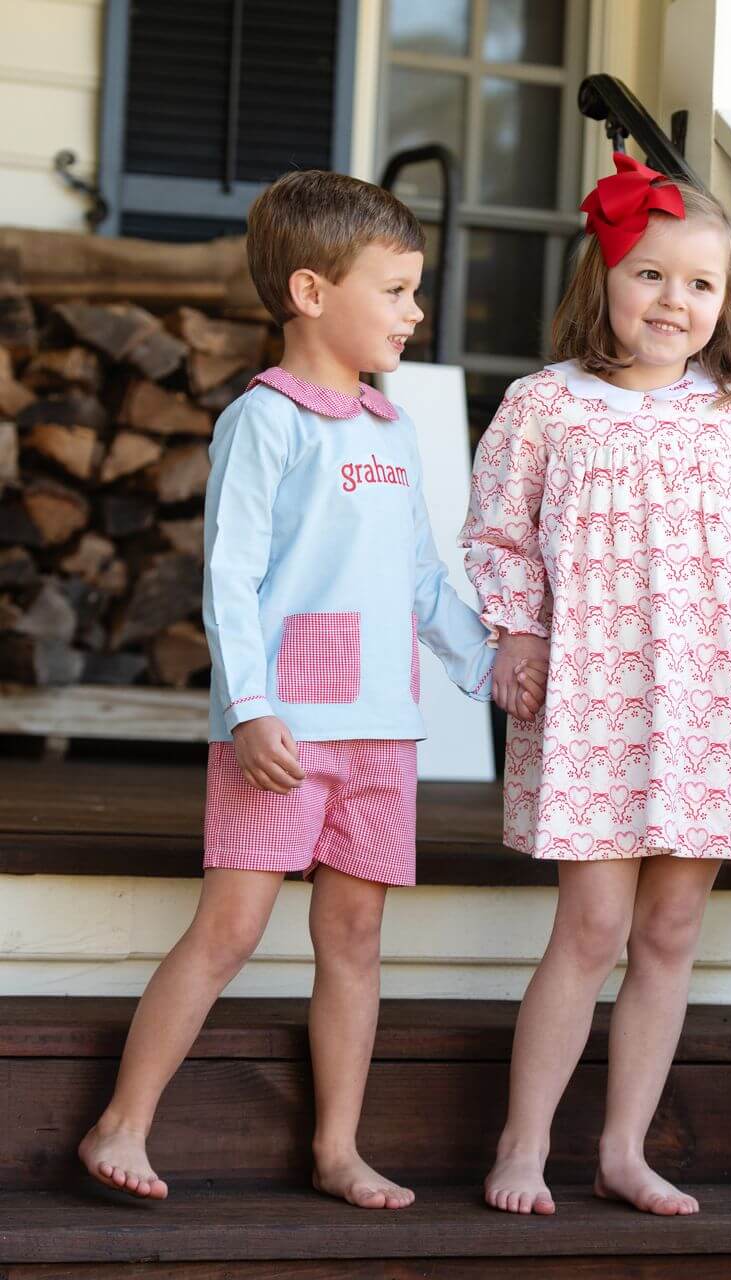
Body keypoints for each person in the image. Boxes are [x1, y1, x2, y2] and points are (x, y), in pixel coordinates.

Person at [78, 169, 545, 1209]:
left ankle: (337, 1146)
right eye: (396, 289)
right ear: (310, 291)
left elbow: (422, 578)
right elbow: (230, 575)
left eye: (415, 289)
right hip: (283, 730)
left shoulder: (391, 427)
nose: (415, 311)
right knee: (230, 930)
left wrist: (491, 662)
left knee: (356, 939)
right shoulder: (266, 420)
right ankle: (123, 1120)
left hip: (385, 730)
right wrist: (247, 706)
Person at [460, 153, 731, 1217]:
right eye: (650, 275)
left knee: (667, 932)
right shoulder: (544, 406)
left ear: (724, 303)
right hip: (595, 692)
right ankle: (521, 1145)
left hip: (709, 696)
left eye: (699, 285)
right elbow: (497, 532)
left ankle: (623, 1147)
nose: (673, 301)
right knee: (591, 926)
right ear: (604, 280)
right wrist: (516, 633)